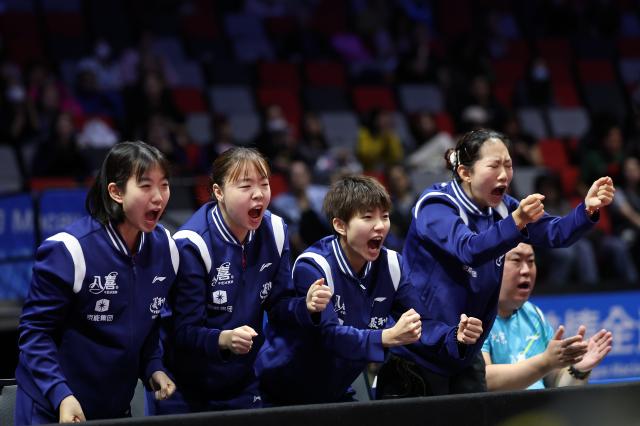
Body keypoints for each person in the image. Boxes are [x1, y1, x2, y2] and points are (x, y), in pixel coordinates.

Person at [376, 128, 615, 397]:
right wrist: (516, 222)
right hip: (416, 356)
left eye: (509, 165)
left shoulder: (502, 209)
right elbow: (470, 250)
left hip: (465, 355)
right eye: (494, 165)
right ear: (466, 173)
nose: (504, 175)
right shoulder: (434, 206)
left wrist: (587, 210)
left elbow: (555, 233)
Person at [256, 175, 483, 405]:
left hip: (335, 392)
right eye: (367, 217)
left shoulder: (393, 266)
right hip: (281, 392)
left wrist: (454, 336)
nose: (380, 225)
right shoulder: (314, 266)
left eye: (384, 216)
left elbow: (421, 323)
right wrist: (387, 336)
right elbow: (330, 337)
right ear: (340, 225)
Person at [152, 147, 331, 413]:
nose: (258, 194)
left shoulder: (276, 232)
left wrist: (304, 306)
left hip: (241, 382)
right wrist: (223, 339)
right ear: (218, 192)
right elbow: (182, 331)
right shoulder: (192, 244)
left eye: (264, 184)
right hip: (183, 388)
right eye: (245, 186)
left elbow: (279, 305)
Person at [15, 141, 178, 424]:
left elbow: (149, 318)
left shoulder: (166, 247)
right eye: (145, 186)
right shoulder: (70, 250)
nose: (158, 197)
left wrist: (154, 366)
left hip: (113, 408)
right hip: (53, 408)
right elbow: (35, 334)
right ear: (115, 192)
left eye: (163, 185)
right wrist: (60, 394)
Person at [482, 243, 612, 390]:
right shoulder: (475, 317)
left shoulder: (533, 314)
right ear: (492, 267)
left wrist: (578, 370)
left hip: (539, 411)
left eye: (531, 261)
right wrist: (545, 362)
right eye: (516, 260)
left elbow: (558, 385)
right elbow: (485, 381)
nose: (526, 270)